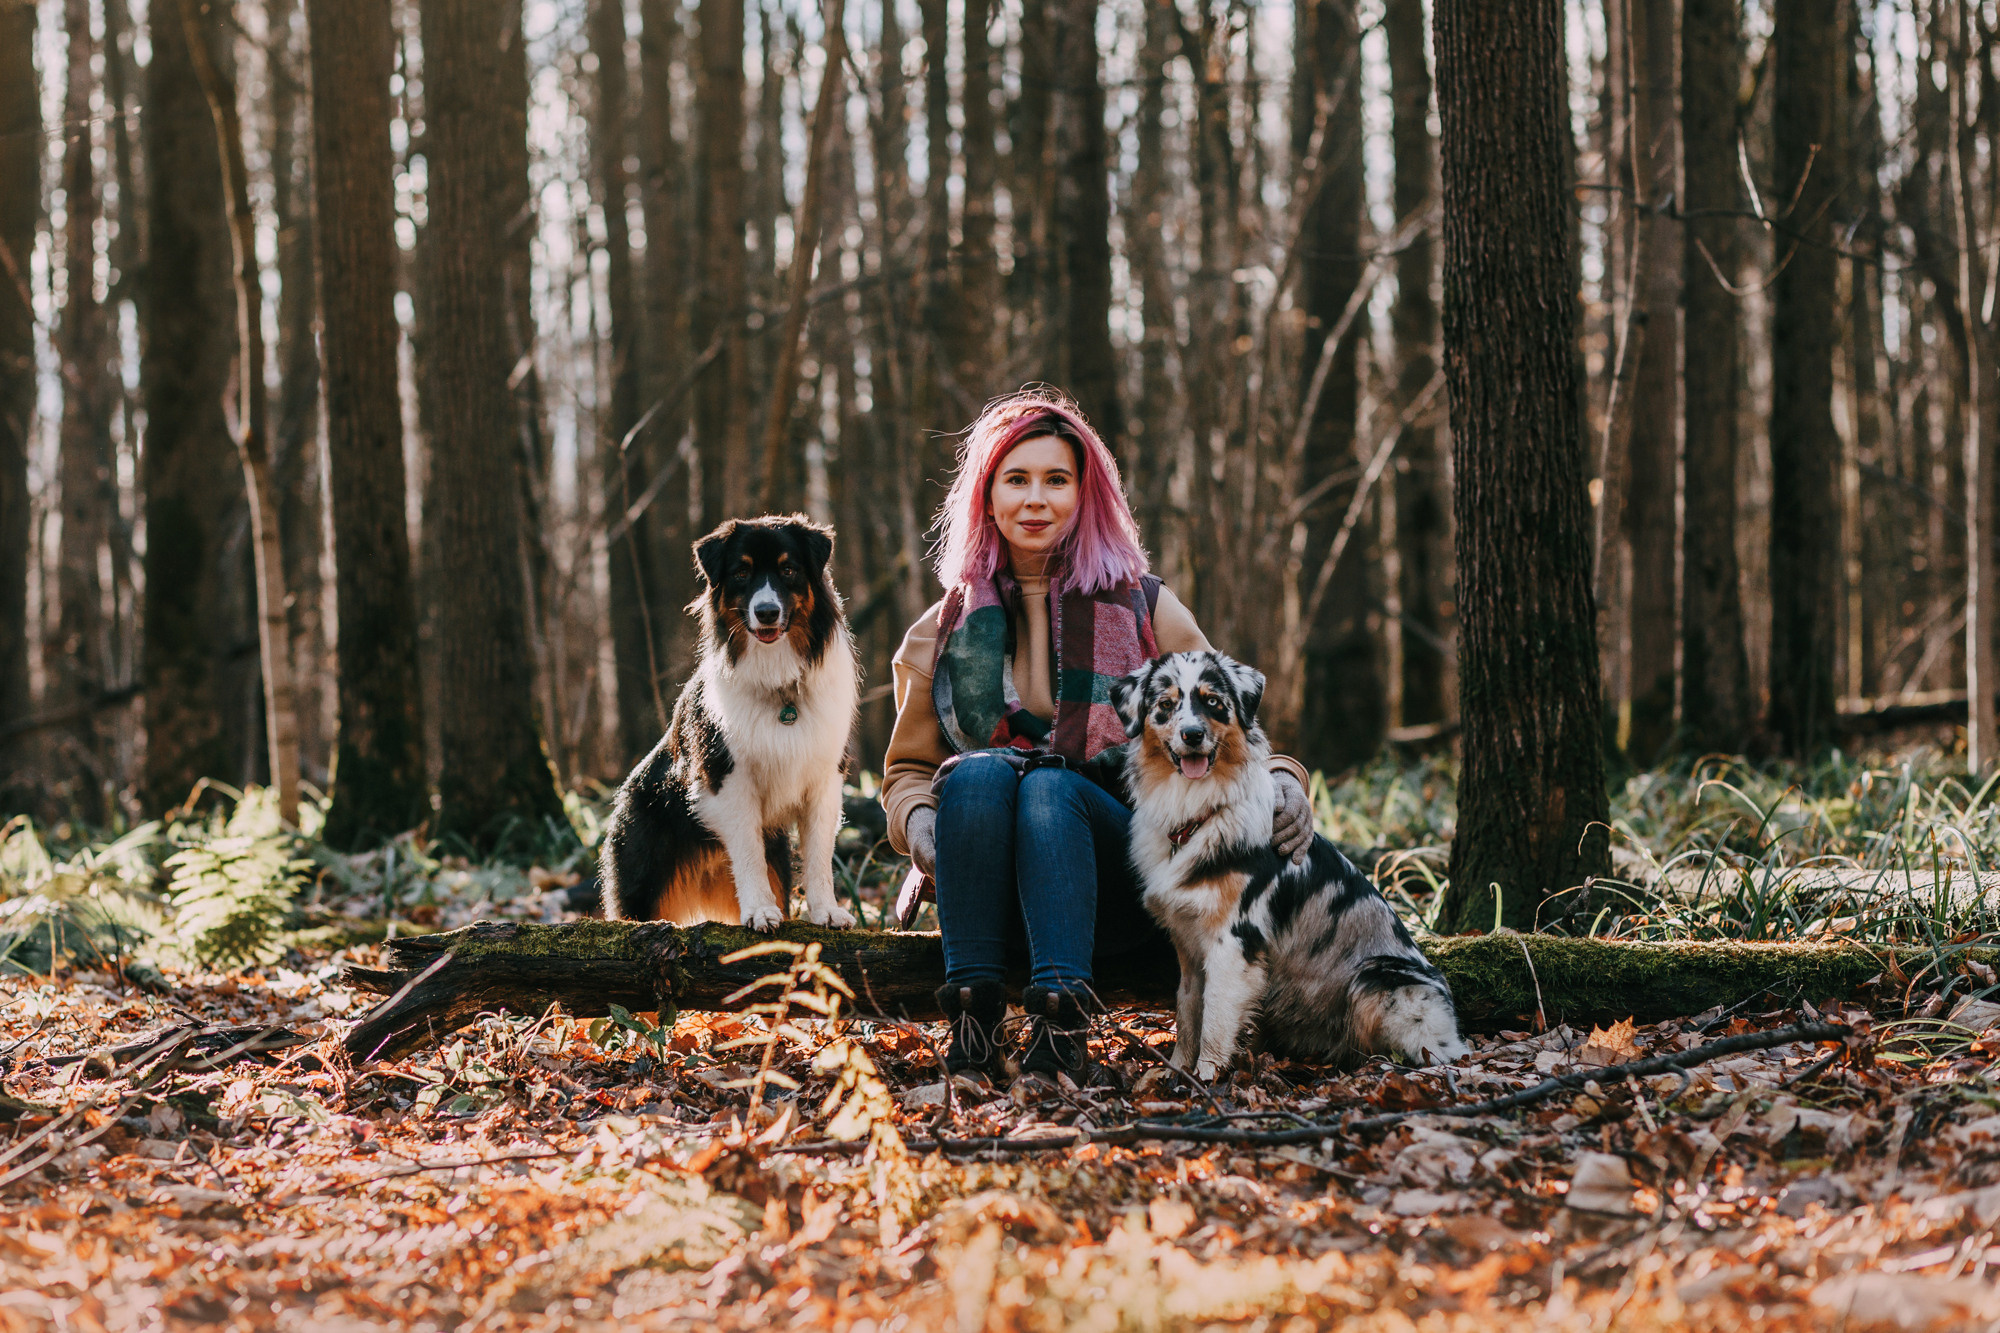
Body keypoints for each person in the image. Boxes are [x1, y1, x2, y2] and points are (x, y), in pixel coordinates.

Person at [880, 388, 1314, 1081]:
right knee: (981, 773)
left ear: (1085, 494)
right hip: (983, 885)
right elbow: (907, 771)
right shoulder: (941, 630)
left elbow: (1230, 716)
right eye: (1016, 479)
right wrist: (919, 822)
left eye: (1057, 480)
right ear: (985, 495)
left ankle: (1059, 1030)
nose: (1036, 499)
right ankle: (971, 1022)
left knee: (1052, 784)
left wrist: (1286, 776)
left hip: (1114, 882)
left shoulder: (1143, 604)